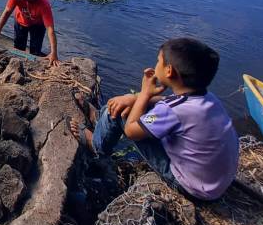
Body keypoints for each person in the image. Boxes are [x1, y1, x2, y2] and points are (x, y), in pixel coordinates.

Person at [69, 38, 239, 201]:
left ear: (169, 71)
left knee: (125, 113)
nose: (155, 64)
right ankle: (101, 119)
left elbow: (131, 131)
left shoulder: (175, 111)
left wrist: (144, 93)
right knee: (130, 103)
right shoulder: (207, 98)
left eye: (159, 61)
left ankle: (97, 145)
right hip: (214, 184)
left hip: (190, 186)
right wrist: (134, 97)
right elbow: (167, 103)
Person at [0, 0, 59, 66]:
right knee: (18, 47)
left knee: (35, 50)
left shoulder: (44, 4)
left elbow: (50, 29)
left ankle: (33, 64)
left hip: (38, 25)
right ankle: (17, 64)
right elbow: (6, 12)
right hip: (20, 22)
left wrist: (54, 52)